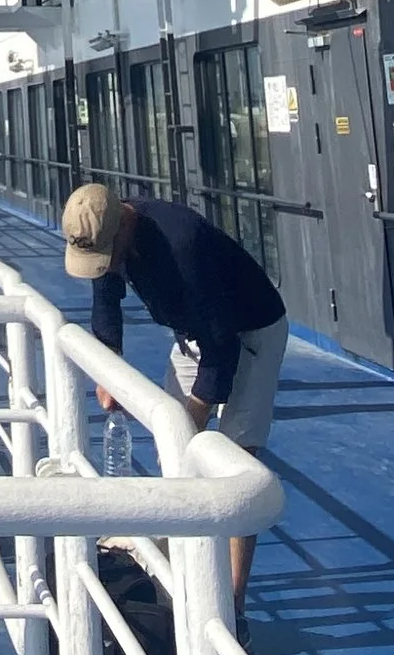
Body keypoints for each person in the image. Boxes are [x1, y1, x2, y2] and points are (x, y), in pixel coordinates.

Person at [60, 182, 288, 622]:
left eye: (110, 254)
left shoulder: (181, 244)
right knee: (174, 454)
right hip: (192, 335)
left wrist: (191, 417)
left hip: (250, 328)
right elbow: (106, 299)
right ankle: (180, 573)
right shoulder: (106, 234)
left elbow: (223, 348)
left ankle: (232, 607)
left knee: (236, 466)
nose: (108, 265)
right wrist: (110, 371)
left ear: (124, 222)